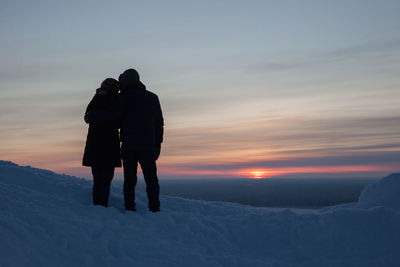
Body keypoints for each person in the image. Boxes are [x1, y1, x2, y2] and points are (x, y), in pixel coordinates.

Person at [85, 69, 164, 212]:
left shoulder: (125, 97)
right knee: (151, 179)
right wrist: (158, 144)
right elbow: (159, 123)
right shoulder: (153, 97)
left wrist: (92, 115)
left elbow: (113, 115)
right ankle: (155, 208)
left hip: (129, 145)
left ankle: (130, 207)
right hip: (148, 145)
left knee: (129, 180)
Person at [82, 78, 121, 207]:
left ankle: (98, 206)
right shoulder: (117, 100)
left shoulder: (98, 98)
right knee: (105, 180)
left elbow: (87, 116)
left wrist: (98, 116)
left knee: (98, 179)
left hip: (96, 144)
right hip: (109, 144)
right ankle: (102, 205)